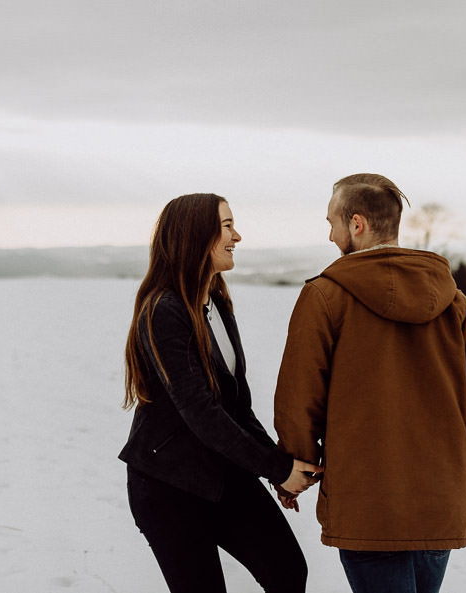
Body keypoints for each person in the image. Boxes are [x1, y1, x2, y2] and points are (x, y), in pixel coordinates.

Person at [273, 174, 466, 593]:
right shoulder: (453, 300)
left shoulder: (324, 297)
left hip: (367, 503)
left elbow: (299, 400)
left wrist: (292, 469)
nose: (330, 235)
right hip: (441, 499)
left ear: (357, 224)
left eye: (332, 222)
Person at [120, 193, 320, 593]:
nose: (238, 236)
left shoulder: (214, 301)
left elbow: (236, 407)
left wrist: (277, 466)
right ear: (198, 235)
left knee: (288, 571)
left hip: (223, 475)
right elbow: (201, 412)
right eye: (228, 226)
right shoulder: (164, 310)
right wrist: (276, 468)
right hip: (168, 487)